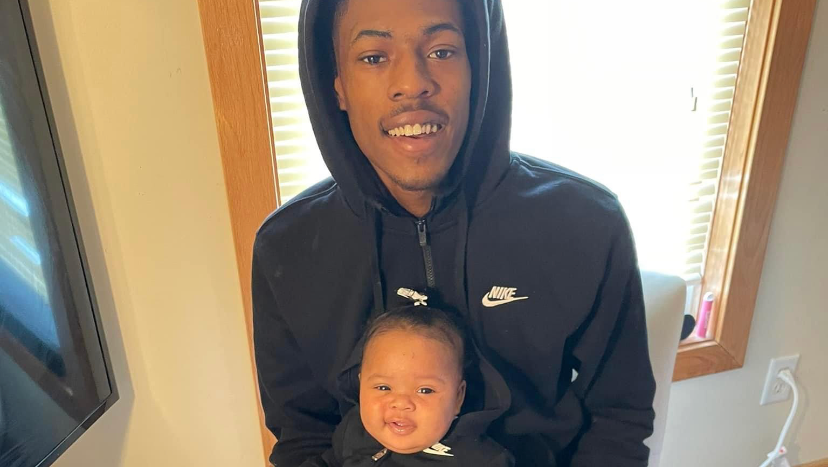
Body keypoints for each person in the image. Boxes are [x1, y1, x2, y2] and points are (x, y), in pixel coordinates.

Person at [252, 0, 656, 465]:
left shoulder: (584, 223)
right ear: (338, 85)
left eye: (442, 51)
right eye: (374, 57)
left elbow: (617, 419)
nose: (412, 84)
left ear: (478, 67)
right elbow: (302, 435)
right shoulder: (288, 247)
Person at [332, 302, 513, 466]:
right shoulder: (352, 429)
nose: (401, 403)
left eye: (425, 390)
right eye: (383, 387)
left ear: (458, 397)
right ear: (361, 385)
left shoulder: (482, 460)